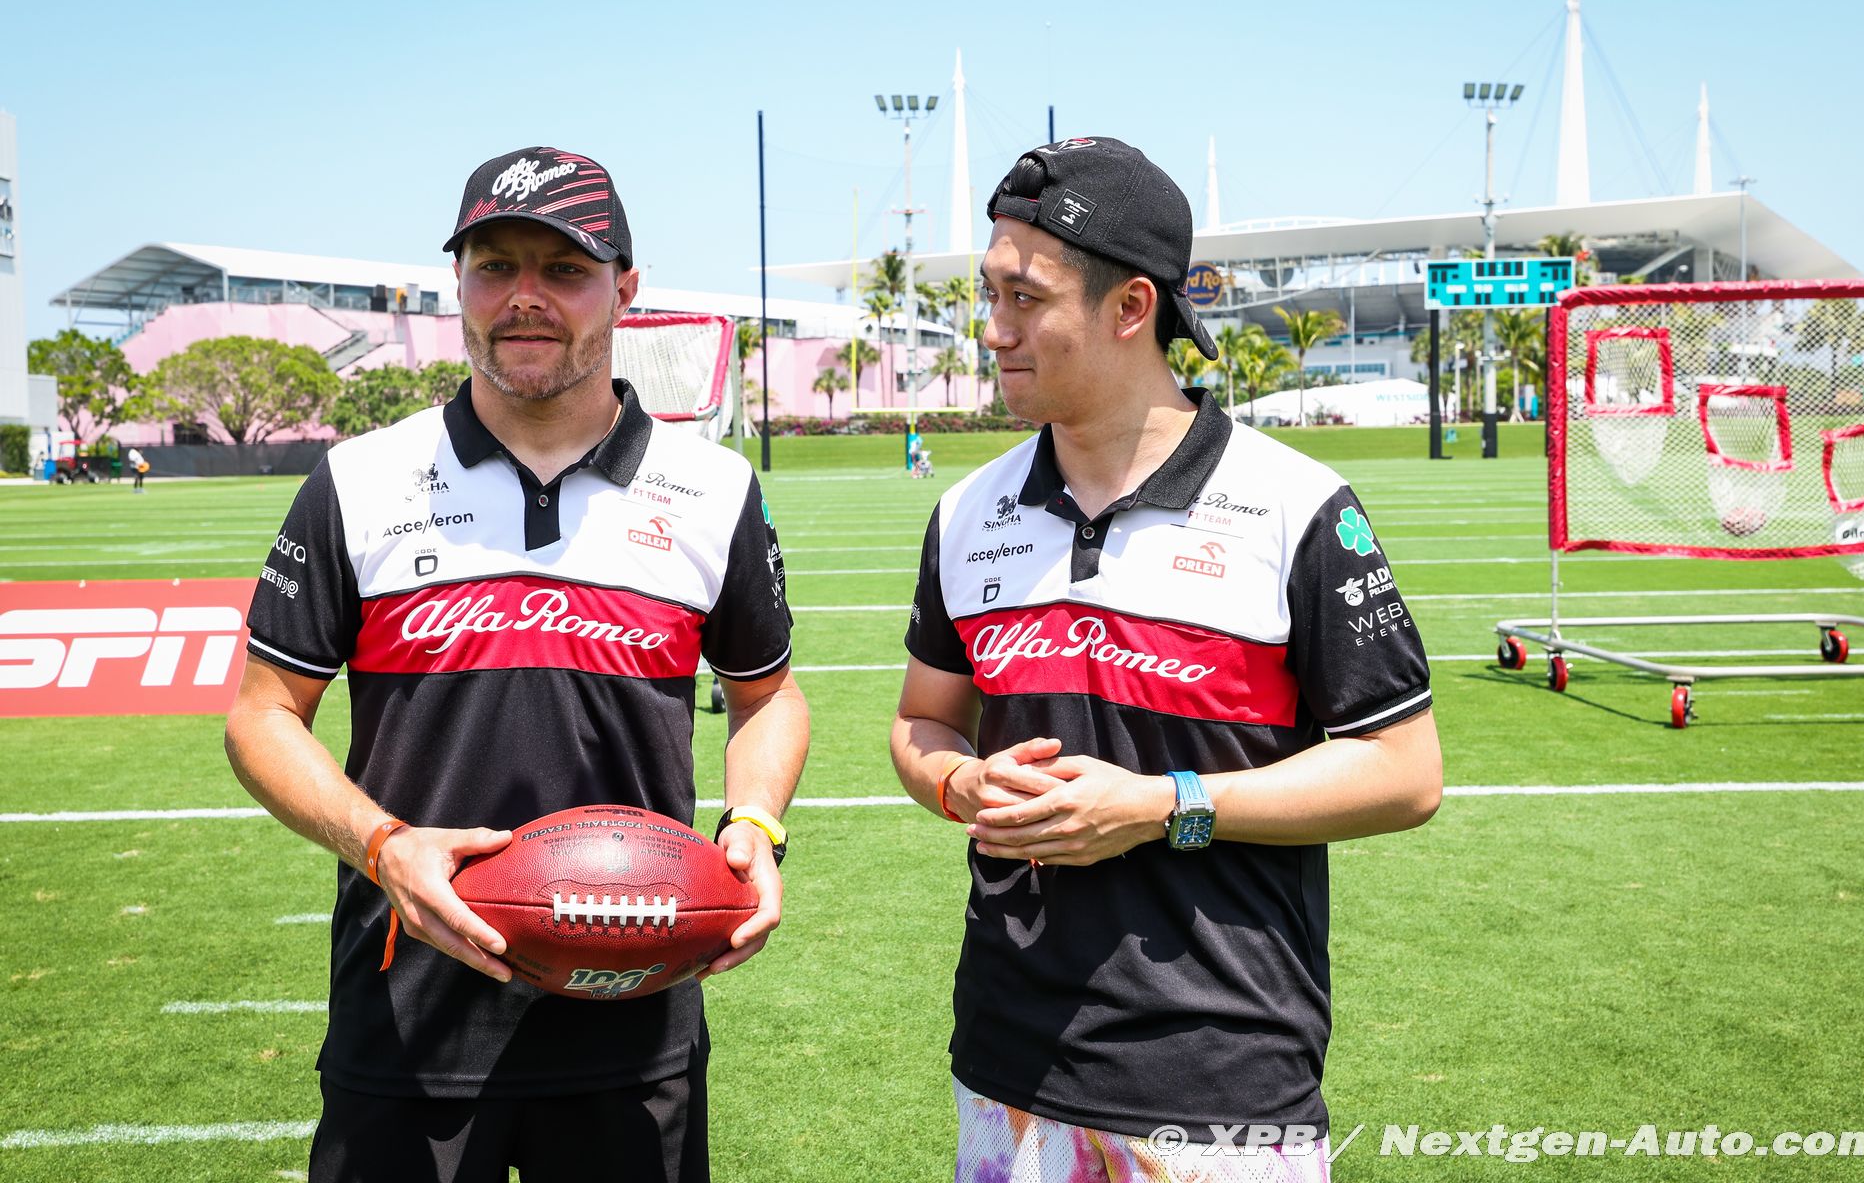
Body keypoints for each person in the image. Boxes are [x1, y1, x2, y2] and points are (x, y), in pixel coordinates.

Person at [226, 146, 809, 1183]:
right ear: (458, 282)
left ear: (625, 288)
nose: (524, 297)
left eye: (565, 269)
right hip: (405, 1016)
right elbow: (261, 715)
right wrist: (383, 845)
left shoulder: (713, 489)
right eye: (495, 266)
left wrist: (755, 824)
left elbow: (767, 697)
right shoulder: (358, 480)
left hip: (635, 1014)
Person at [890, 137, 1442, 1182]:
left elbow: (1405, 772)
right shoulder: (966, 512)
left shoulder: (1295, 506)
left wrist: (1160, 806)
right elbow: (923, 722)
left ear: (1132, 307)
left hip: (1222, 1077)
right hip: (1007, 1062)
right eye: (989, 294)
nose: (993, 328)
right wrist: (961, 782)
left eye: (1025, 298)